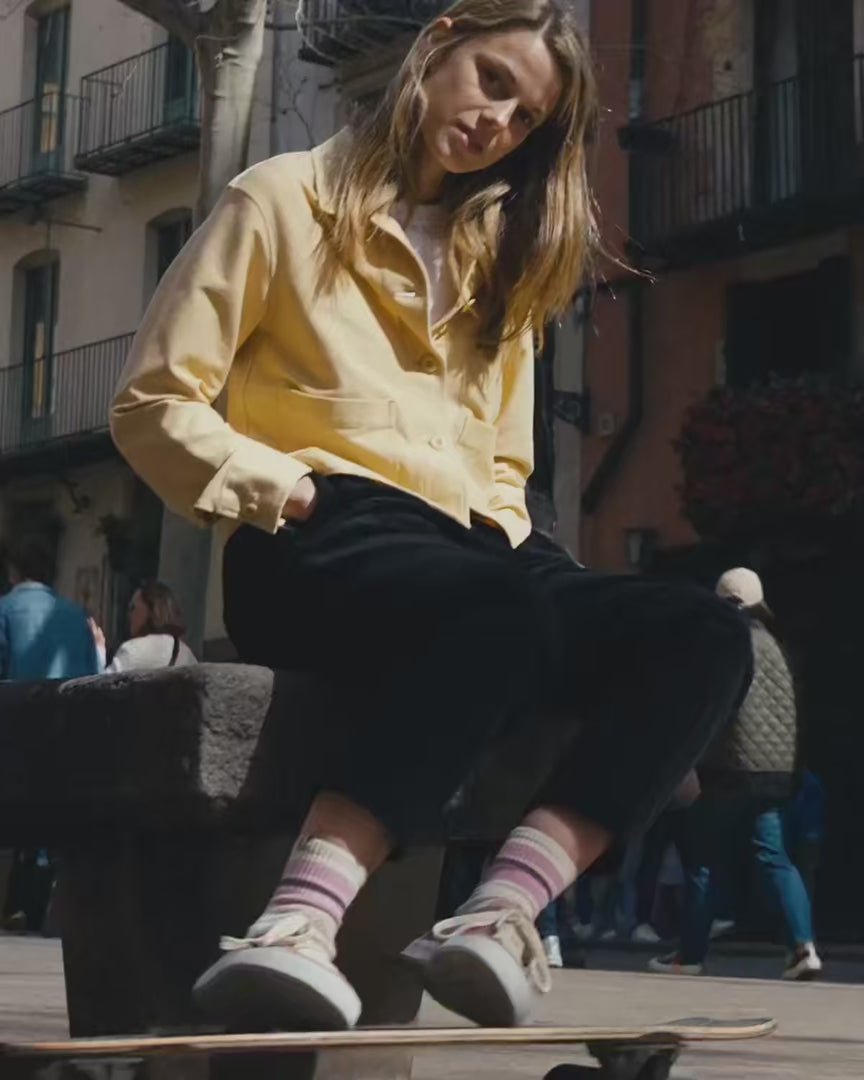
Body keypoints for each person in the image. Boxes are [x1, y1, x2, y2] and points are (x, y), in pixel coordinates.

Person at [110, 0, 752, 1032]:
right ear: (442, 39)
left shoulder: (506, 257)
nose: (498, 122)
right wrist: (290, 491)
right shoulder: (280, 200)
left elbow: (507, 462)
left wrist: (514, 540)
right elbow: (153, 404)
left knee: (709, 635)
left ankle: (499, 913)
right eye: (493, 81)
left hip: (473, 556)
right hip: (316, 533)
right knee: (498, 608)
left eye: (526, 118)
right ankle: (298, 922)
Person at [649, 568, 823, 981]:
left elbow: (711, 706)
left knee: (704, 863)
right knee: (776, 859)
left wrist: (687, 757)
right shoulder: (775, 645)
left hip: (728, 771)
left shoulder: (724, 640)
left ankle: (689, 956)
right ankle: (803, 947)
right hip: (775, 773)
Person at [0, 532, 99, 933]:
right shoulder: (77, 617)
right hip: (68, 734)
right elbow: (93, 675)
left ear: (13, 570)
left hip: (15, 735)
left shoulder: (5, 610)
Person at [90, 580, 197, 672]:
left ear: (152, 610)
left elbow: (102, 687)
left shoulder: (133, 650)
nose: (129, 615)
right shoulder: (186, 654)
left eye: (133, 608)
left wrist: (98, 650)